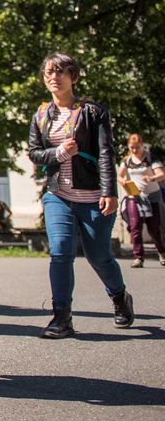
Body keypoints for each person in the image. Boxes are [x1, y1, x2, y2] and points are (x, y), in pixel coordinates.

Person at [28, 52, 134, 339]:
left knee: (99, 256)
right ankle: (61, 317)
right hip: (57, 195)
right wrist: (59, 152)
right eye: (48, 72)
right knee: (60, 252)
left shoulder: (93, 112)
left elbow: (105, 154)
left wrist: (110, 192)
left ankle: (119, 296)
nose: (53, 77)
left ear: (73, 77)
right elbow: (35, 153)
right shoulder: (41, 115)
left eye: (61, 71)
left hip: (92, 197)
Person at [117, 133, 165, 268]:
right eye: (131, 147)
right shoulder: (127, 160)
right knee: (135, 226)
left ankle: (162, 252)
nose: (134, 150)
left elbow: (162, 174)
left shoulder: (150, 158)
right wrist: (124, 182)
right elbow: (119, 176)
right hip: (135, 196)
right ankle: (138, 257)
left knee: (153, 228)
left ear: (142, 146)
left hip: (152, 196)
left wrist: (151, 178)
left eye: (137, 147)